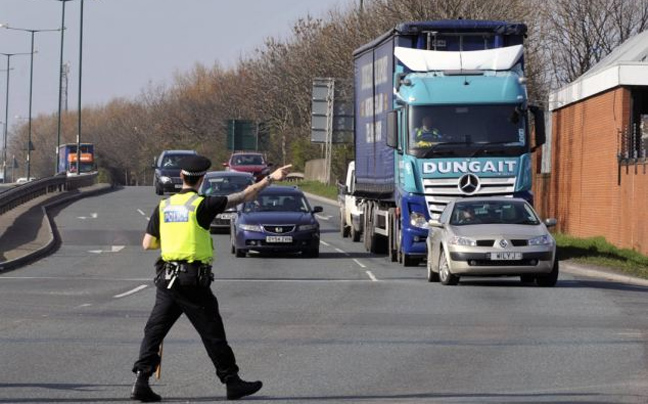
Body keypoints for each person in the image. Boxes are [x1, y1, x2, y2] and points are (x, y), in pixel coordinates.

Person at [131, 155, 292, 402]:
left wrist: (173, 240)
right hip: (192, 281)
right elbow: (245, 196)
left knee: (154, 331)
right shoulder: (202, 205)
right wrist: (270, 178)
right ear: (202, 180)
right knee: (213, 333)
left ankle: (141, 380)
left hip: (167, 280)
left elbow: (147, 244)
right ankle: (232, 381)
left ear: (181, 178)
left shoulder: (164, 206)